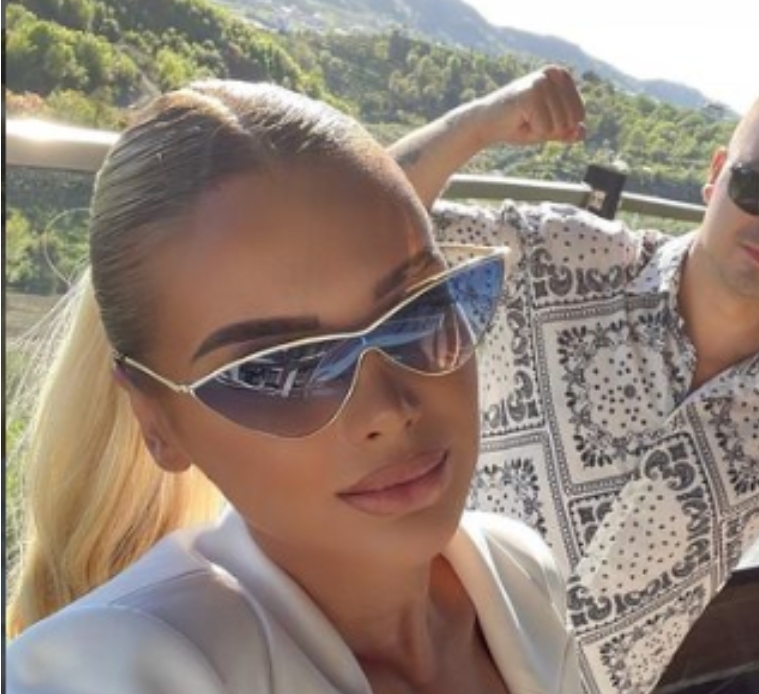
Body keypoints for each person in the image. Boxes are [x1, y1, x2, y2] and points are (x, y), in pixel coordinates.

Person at [389, 65, 759, 694]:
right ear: (717, 173)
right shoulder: (556, 257)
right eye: (757, 186)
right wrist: (478, 122)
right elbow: (368, 233)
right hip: (406, 663)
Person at [5, 80, 581, 694]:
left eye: (419, 311)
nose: (388, 409)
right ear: (157, 421)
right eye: (277, 371)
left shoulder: (516, 570)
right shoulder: (116, 665)